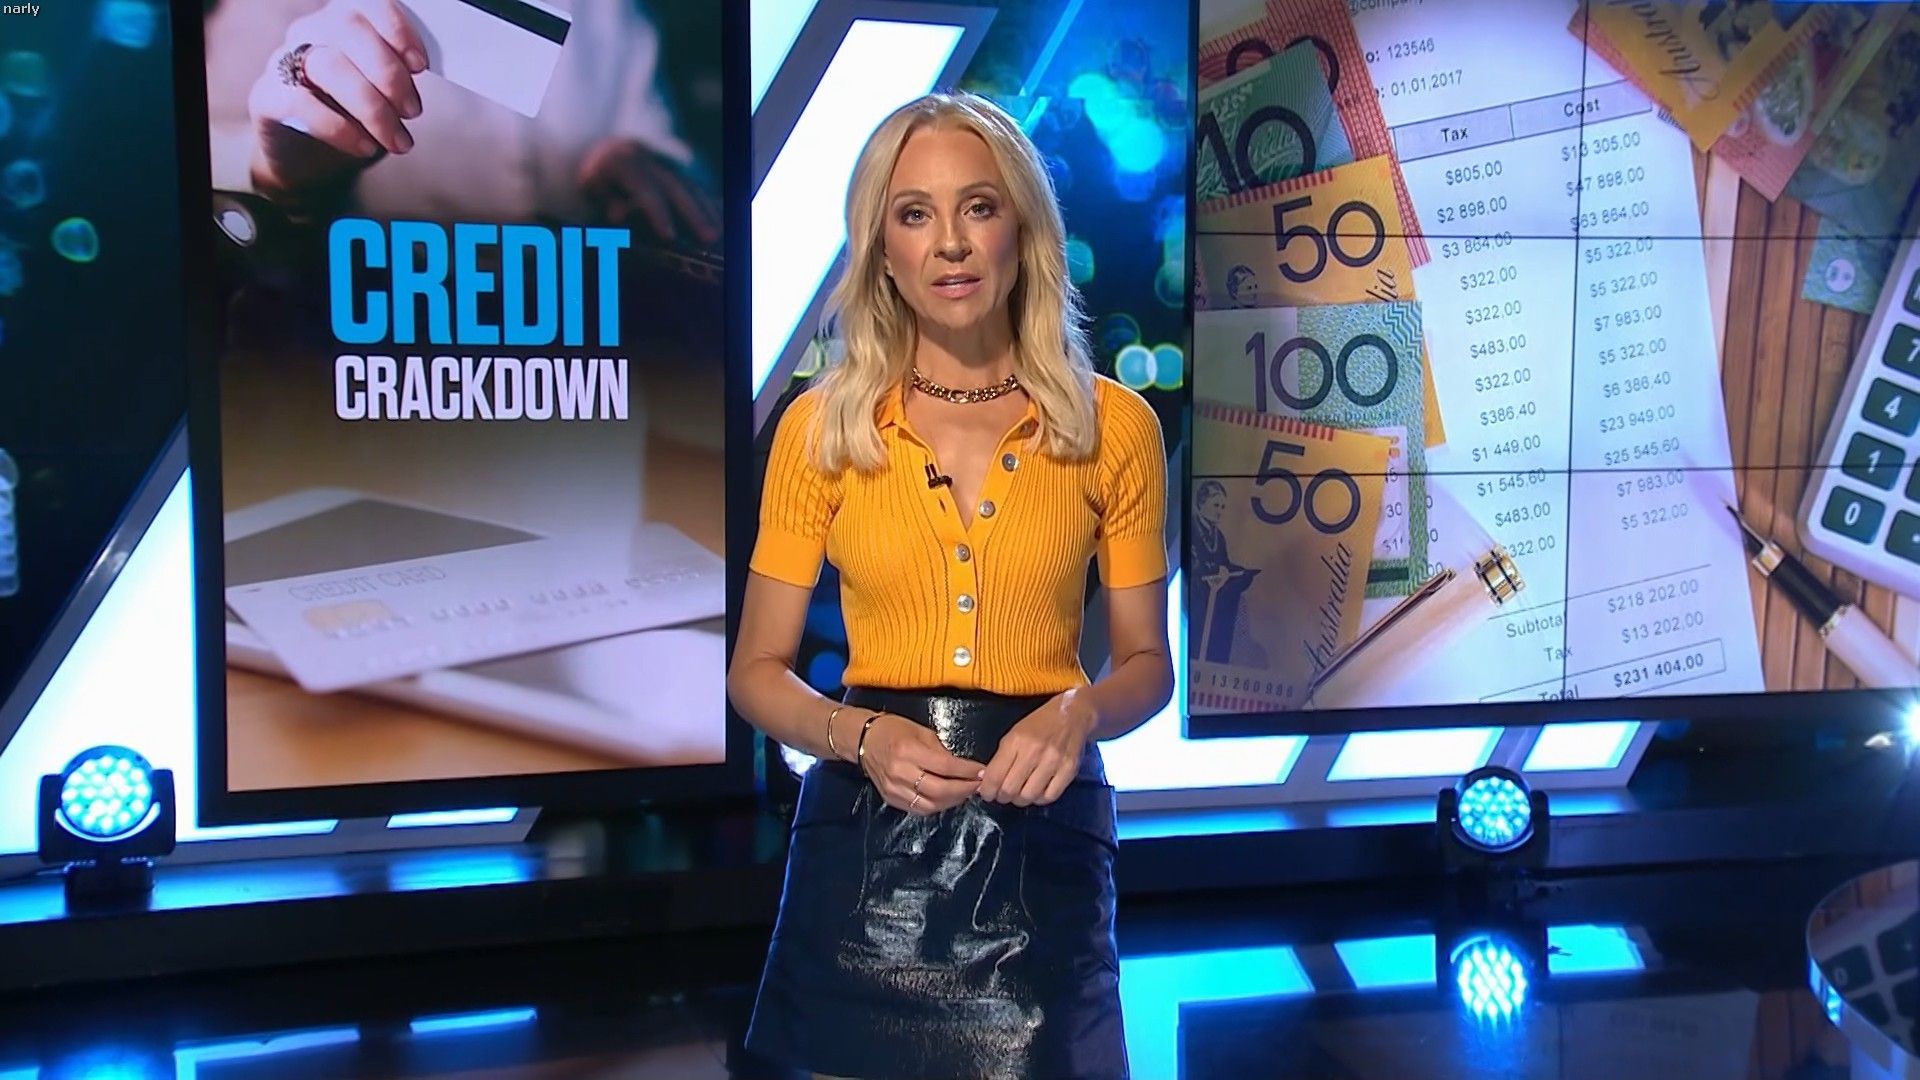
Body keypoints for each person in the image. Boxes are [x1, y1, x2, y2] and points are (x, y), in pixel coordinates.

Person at [726, 92, 1173, 1080]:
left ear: (1023, 229)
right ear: (882, 250)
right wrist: (861, 736)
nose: (951, 243)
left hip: (1043, 842)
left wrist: (1078, 713)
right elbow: (754, 671)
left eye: (978, 206)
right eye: (914, 214)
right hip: (863, 847)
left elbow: (1149, 664)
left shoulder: (1115, 428)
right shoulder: (822, 429)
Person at [202, 0, 717, 240]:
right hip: (368, 350)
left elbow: (670, 152)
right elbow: (202, 152)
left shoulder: (610, 11)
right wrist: (274, 170)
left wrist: (634, 162)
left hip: (581, 353)